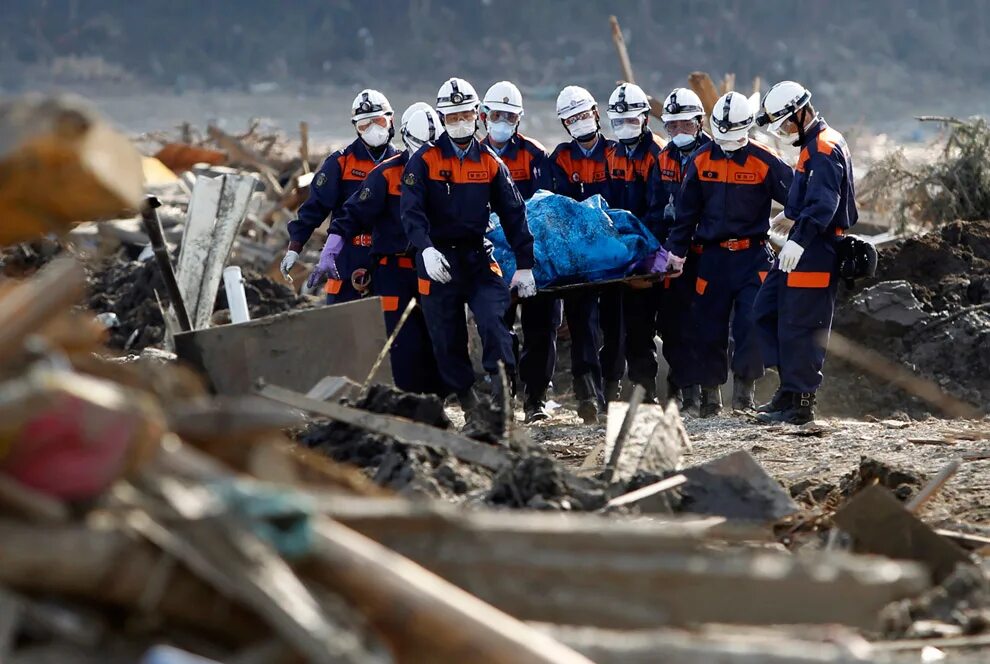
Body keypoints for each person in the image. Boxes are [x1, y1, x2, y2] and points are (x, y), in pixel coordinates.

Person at [400, 77, 536, 423]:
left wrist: (525, 264)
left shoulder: (490, 162)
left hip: (477, 258)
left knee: (494, 320)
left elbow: (514, 212)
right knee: (446, 337)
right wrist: (425, 249)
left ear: (477, 115)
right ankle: (468, 401)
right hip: (437, 259)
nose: (459, 122)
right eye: (452, 117)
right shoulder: (424, 161)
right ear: (442, 119)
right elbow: (411, 212)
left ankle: (503, 398)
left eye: (465, 115)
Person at [666, 91, 793, 417]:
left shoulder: (763, 160)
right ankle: (711, 399)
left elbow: (798, 192)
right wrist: (676, 253)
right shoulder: (701, 160)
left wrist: (792, 216)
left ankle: (744, 396)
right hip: (713, 258)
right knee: (708, 326)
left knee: (751, 324)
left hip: (752, 257)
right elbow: (686, 213)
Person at [309, 104, 445, 395]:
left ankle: (439, 399)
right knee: (399, 340)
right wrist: (331, 247)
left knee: (441, 333)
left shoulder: (449, 172)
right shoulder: (385, 174)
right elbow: (352, 213)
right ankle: (401, 399)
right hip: (392, 269)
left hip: (436, 265)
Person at [753, 81, 858, 424]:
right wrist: (791, 215)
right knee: (766, 310)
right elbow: (813, 196)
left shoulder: (823, 148)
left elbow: (825, 203)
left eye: (784, 124)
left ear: (799, 113)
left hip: (816, 247)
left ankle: (801, 401)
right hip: (803, 239)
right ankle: (789, 387)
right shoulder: (812, 145)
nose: (783, 131)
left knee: (802, 324)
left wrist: (800, 239)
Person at [480, 81, 559, 423]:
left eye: (509, 116)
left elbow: (544, 207)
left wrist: (528, 256)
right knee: (498, 328)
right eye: (497, 114)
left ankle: (535, 400)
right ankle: (504, 395)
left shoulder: (534, 155)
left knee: (541, 328)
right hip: (492, 256)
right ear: (483, 116)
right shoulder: (474, 155)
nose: (502, 122)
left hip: (532, 253)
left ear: (519, 118)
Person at [282, 90, 399, 303]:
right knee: (343, 315)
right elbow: (314, 207)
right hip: (347, 254)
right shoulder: (341, 163)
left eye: (378, 121)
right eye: (364, 125)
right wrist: (295, 248)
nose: (373, 129)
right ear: (355, 128)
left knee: (390, 317)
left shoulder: (403, 163)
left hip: (390, 256)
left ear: (391, 120)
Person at [547, 85, 617, 423]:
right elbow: (556, 207)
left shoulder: (616, 153)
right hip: (578, 256)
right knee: (583, 326)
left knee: (616, 327)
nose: (579, 122)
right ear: (564, 124)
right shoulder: (559, 158)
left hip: (617, 254)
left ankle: (614, 392)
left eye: (583, 115)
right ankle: (588, 396)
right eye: (571, 119)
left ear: (596, 114)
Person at [605, 82, 671, 404]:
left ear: (645, 118)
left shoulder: (658, 153)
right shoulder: (614, 154)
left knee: (671, 326)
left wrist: (647, 250)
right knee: (636, 329)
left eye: (631, 119)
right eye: (618, 121)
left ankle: (682, 393)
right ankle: (645, 396)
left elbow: (660, 207)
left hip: (656, 250)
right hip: (627, 253)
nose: (625, 126)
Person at [654, 87, 711, 411]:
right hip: (674, 253)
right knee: (674, 324)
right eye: (671, 125)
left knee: (708, 323)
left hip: (708, 252)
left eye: (685, 124)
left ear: (699, 122)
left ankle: (711, 394)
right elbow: (654, 206)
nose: (678, 131)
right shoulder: (664, 158)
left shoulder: (715, 154)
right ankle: (684, 392)